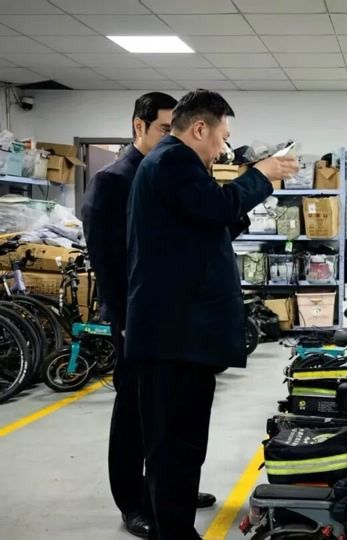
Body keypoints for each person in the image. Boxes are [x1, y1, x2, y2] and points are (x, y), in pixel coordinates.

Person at [125, 89, 298, 540]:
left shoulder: (174, 164)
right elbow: (217, 207)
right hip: (174, 336)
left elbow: (208, 222)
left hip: (180, 335)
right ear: (200, 128)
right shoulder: (173, 160)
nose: (223, 148)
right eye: (223, 136)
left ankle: (173, 527)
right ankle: (174, 532)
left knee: (180, 444)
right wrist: (260, 175)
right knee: (174, 446)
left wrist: (252, 189)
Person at [81, 92, 216, 539]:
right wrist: (123, 319)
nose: (171, 138)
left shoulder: (171, 172)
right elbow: (107, 260)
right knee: (135, 415)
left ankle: (167, 493)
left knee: (170, 415)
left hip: (172, 319)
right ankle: (133, 501)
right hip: (135, 319)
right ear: (138, 127)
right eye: (163, 129)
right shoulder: (114, 180)